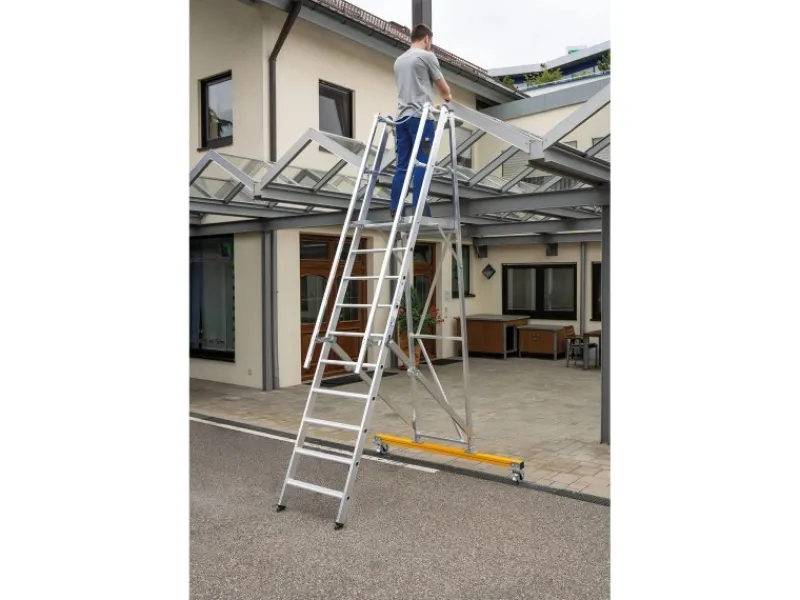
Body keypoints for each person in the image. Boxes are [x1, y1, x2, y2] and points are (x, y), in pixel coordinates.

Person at [390, 23, 452, 218]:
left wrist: (430, 104)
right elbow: (443, 88)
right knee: (422, 162)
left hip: (402, 119)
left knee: (402, 164)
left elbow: (413, 91)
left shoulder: (399, 61)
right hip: (420, 119)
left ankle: (395, 208)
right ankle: (419, 206)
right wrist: (448, 97)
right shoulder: (427, 56)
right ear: (426, 39)